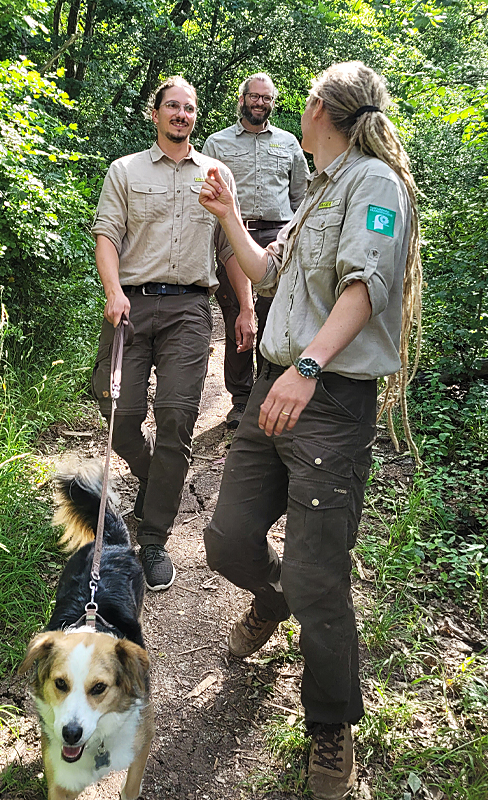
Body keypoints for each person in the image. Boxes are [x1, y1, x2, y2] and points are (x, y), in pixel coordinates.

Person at [198, 62, 422, 799]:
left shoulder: (373, 186)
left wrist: (311, 367)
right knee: (228, 540)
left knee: (319, 576)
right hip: (272, 390)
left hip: (326, 400)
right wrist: (228, 211)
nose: (294, 106)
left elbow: (366, 286)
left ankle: (330, 729)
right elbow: (265, 273)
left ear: (321, 106)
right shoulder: (319, 187)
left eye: (302, 98)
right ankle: (271, 596)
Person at [90, 76, 245, 592]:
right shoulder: (125, 171)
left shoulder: (217, 175)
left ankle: (153, 538)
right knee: (118, 409)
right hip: (131, 306)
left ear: (196, 117)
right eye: (173, 106)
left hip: (189, 309)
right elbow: (108, 236)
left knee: (177, 417)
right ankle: (156, 479)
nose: (182, 114)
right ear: (154, 113)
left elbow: (230, 249)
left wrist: (245, 306)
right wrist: (113, 291)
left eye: (190, 108)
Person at [202, 73, 308, 429]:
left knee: (274, 319)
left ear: (272, 103)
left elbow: (301, 199)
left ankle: (266, 393)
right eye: (255, 97)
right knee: (236, 318)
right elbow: (204, 195)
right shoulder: (216, 143)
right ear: (242, 98)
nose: (260, 103)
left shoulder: (289, 143)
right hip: (232, 237)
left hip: (277, 237)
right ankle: (241, 399)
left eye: (266, 98)